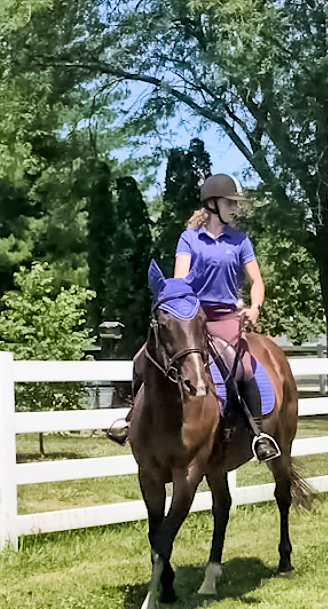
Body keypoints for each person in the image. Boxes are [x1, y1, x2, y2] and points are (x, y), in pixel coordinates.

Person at [107, 173, 280, 462]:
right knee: (142, 359)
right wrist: (181, 312)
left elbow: (257, 281)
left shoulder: (240, 241)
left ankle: (258, 434)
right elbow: (179, 281)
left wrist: (255, 307)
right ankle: (130, 419)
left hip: (225, 318)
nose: (234, 208)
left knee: (245, 369)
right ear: (212, 204)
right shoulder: (189, 239)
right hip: (193, 317)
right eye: (229, 202)